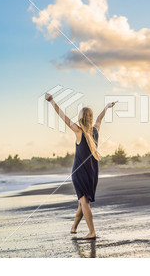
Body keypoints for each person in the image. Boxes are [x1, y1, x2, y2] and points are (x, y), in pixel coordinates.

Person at [45, 93, 116, 240]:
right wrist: (107, 107)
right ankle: (74, 227)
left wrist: (51, 101)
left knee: (84, 202)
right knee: (82, 203)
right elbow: (99, 119)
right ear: (90, 117)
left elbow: (63, 117)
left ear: (81, 117)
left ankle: (92, 232)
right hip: (92, 172)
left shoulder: (79, 131)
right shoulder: (95, 131)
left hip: (79, 172)